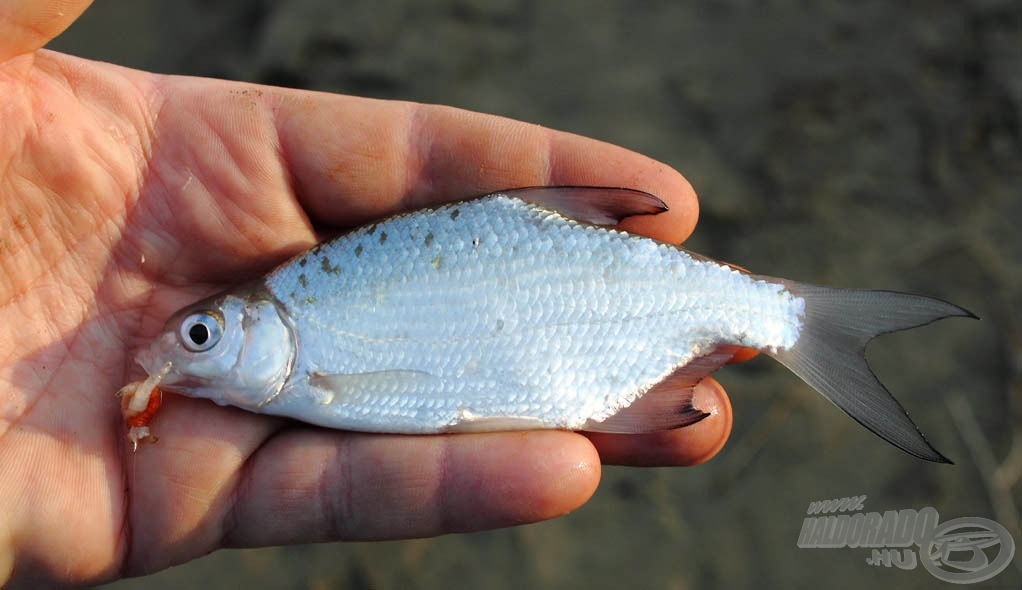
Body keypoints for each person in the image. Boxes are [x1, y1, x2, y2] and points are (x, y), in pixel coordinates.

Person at [0, 1, 736, 586]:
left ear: (265, 327)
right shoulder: (291, 344)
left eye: (202, 335)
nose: (175, 351)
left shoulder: (308, 346)